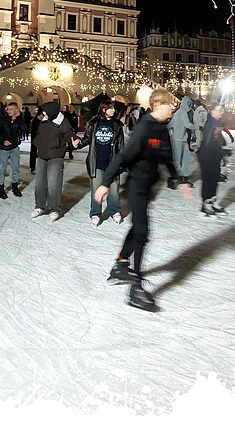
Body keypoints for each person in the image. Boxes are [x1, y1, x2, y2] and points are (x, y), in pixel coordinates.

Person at [95, 88, 192, 311]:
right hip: (136, 186)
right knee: (142, 231)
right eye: (170, 105)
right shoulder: (144, 128)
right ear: (158, 105)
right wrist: (105, 182)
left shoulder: (161, 129)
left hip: (148, 186)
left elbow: (168, 158)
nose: (173, 108)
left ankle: (121, 263)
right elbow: (123, 156)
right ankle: (136, 288)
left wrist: (181, 180)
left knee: (138, 230)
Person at [31, 102, 81, 221]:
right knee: (39, 183)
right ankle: (40, 206)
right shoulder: (45, 120)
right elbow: (39, 133)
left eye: (46, 111)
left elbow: (69, 133)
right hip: (42, 155)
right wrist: (37, 143)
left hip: (56, 156)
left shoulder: (62, 121)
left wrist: (73, 140)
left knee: (53, 183)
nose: (44, 113)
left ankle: (55, 208)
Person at [84, 99, 126, 225]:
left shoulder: (117, 125)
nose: (113, 110)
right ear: (103, 109)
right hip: (96, 162)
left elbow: (121, 145)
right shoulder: (94, 123)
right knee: (96, 189)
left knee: (113, 188)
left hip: (112, 162)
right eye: (111, 108)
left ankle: (115, 211)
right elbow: (86, 139)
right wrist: (77, 143)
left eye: (114, 108)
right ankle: (95, 213)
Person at [197, 102, 233, 216]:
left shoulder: (217, 122)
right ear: (212, 111)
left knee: (214, 179)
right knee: (208, 179)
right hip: (207, 156)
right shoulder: (210, 123)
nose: (221, 112)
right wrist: (219, 150)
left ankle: (212, 201)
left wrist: (221, 151)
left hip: (214, 156)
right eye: (219, 110)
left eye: (222, 110)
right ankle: (205, 204)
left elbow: (216, 139)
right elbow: (208, 142)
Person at [0, 101, 25, 199]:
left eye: (11, 109)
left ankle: (14, 186)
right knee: (2, 168)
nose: (8, 111)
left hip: (14, 147)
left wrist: (20, 117)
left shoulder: (19, 120)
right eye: (8, 109)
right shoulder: (3, 120)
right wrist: (3, 141)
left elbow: (24, 128)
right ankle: (0, 187)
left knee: (15, 167)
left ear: (16, 110)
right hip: (4, 148)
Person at [167, 94, 196, 181]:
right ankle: (176, 176)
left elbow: (171, 124)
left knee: (184, 157)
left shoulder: (179, 112)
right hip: (178, 139)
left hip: (180, 138)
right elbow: (187, 124)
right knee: (179, 158)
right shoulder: (182, 112)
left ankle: (182, 175)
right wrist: (197, 126)